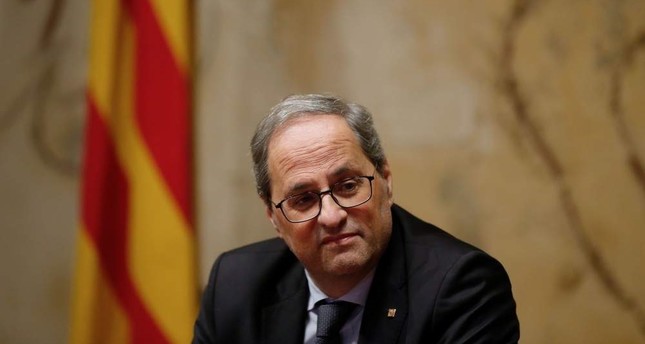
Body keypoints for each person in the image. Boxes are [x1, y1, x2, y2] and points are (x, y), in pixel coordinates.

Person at [192, 94, 520, 343]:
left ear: (386, 180)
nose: (332, 216)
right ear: (273, 217)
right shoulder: (235, 285)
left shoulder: (463, 287)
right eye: (303, 199)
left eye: (348, 186)